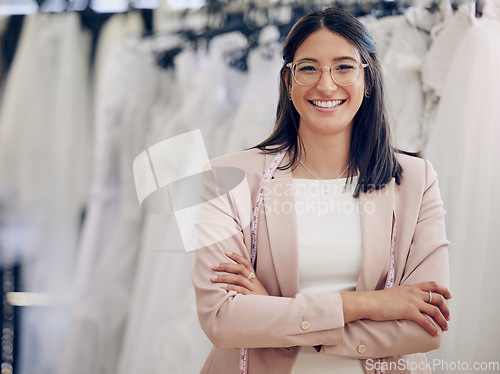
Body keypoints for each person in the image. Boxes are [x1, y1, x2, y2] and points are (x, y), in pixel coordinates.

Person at [191, 6, 450, 374]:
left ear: (368, 78)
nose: (326, 85)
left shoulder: (415, 179)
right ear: (288, 80)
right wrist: (372, 304)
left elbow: (428, 327)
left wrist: (279, 317)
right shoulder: (226, 177)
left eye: (344, 66)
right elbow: (221, 319)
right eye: (308, 68)